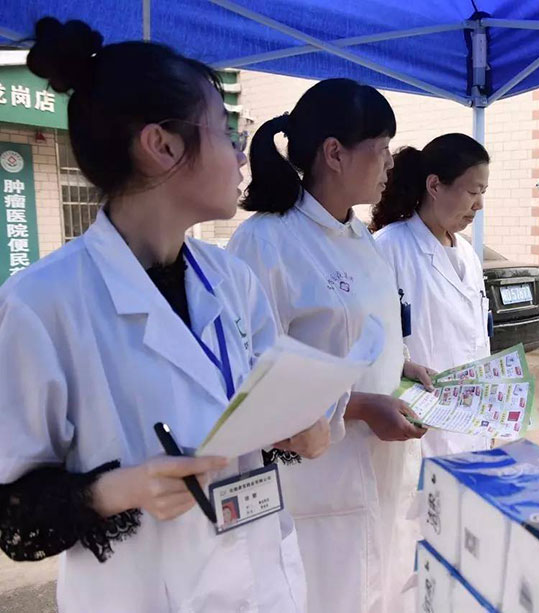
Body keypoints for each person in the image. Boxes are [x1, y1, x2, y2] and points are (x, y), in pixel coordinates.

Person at [0, 18, 330, 612]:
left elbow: (261, 408)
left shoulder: (232, 279)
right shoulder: (41, 304)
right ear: (162, 145)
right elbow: (13, 514)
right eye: (226, 131)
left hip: (264, 584)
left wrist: (297, 430)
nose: (240, 154)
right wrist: (118, 490)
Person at [226, 78, 432, 613]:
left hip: (380, 463)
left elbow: (362, 336)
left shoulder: (359, 235)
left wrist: (403, 366)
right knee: (328, 595)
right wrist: (359, 406)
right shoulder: (265, 241)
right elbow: (251, 382)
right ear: (335, 153)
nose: (390, 163)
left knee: (381, 586)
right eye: (381, 148)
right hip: (315, 478)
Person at [371, 133, 493, 457]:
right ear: (435, 185)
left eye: (483, 193)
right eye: (472, 192)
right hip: (418, 433)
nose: (479, 205)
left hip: (472, 427)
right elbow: (369, 346)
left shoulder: (467, 254)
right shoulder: (387, 248)